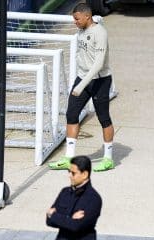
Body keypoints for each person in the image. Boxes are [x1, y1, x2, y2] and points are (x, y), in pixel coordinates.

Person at [48, 3, 114, 172]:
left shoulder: (100, 33)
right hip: (82, 78)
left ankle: (108, 158)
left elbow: (98, 64)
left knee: (103, 118)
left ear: (87, 16)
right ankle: (69, 158)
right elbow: (82, 57)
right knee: (71, 114)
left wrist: (82, 85)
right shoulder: (81, 31)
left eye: (77, 19)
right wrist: (78, 79)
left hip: (99, 80)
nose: (74, 22)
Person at [46, 155, 102, 240]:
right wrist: (71, 218)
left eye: (73, 173)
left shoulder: (94, 199)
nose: (69, 175)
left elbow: (76, 226)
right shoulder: (65, 192)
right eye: (69, 172)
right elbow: (49, 221)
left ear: (84, 174)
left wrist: (54, 215)